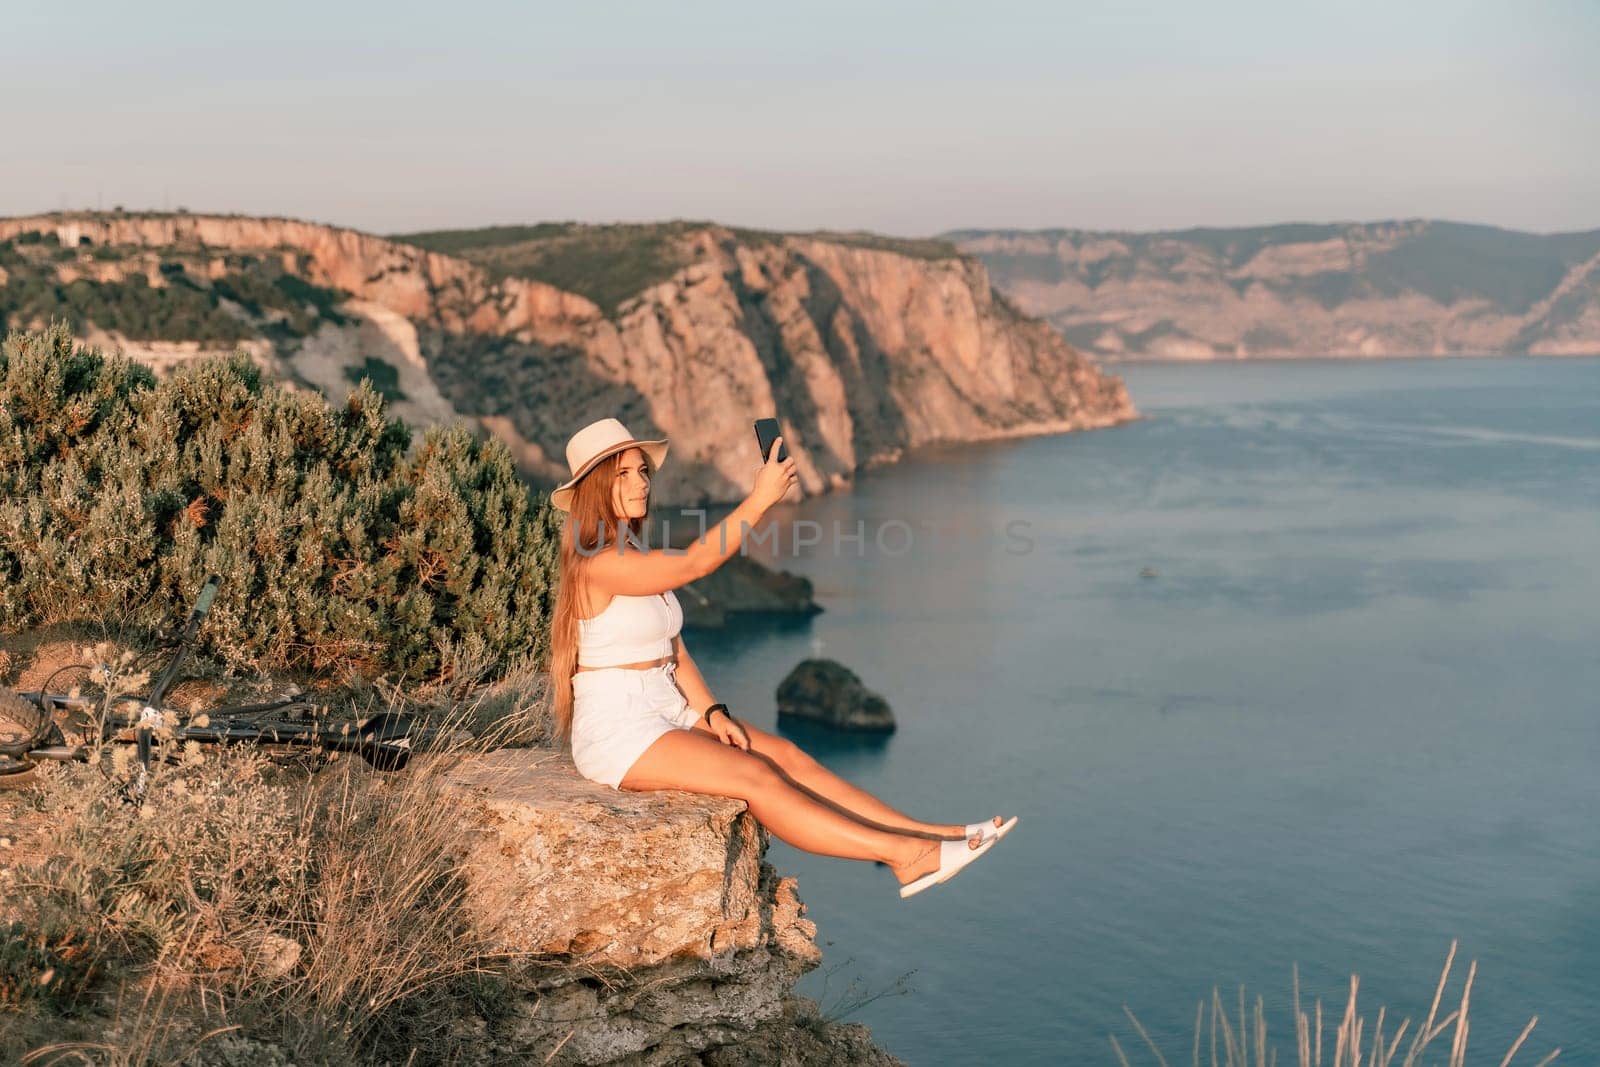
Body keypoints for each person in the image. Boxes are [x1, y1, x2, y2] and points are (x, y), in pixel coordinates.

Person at [546, 418, 1016, 899]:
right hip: (619, 728)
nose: (641, 482)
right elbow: (695, 563)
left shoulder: (634, 550)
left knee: (788, 755)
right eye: (623, 474)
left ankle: (929, 836)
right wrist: (760, 499)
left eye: (642, 470)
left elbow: (672, 647)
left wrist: (711, 712)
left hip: (667, 708)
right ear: (597, 487)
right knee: (756, 776)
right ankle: (906, 857)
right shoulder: (597, 563)